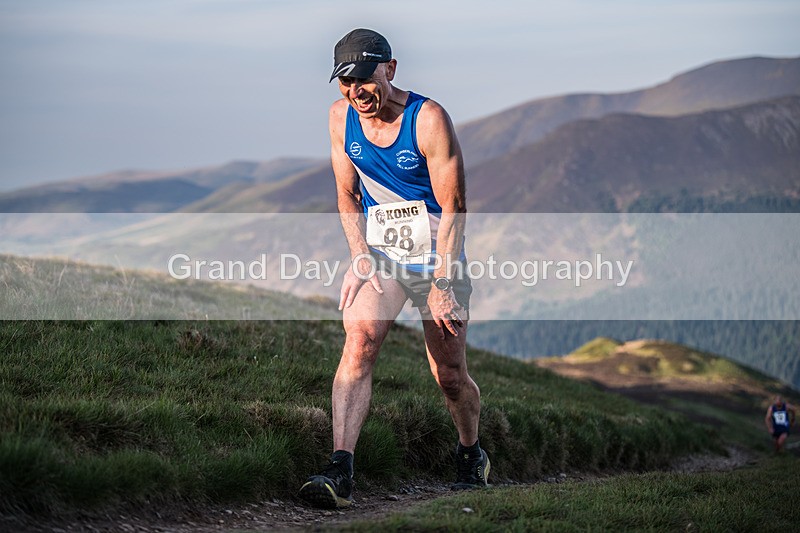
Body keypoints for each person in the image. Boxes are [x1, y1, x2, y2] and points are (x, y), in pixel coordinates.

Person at [298, 28, 489, 509]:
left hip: (437, 257)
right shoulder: (340, 117)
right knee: (360, 339)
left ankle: (471, 453)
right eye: (345, 82)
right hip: (383, 254)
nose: (356, 91)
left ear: (391, 69)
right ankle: (339, 469)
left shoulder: (428, 120)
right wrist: (359, 255)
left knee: (449, 375)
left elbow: (455, 207)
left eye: (364, 78)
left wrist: (443, 283)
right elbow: (347, 194)